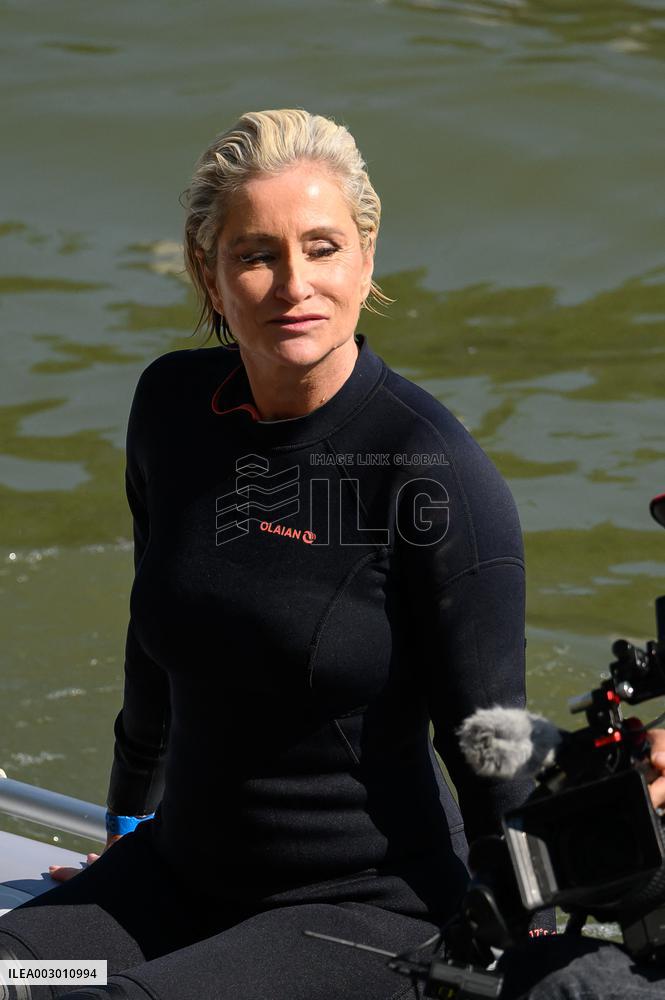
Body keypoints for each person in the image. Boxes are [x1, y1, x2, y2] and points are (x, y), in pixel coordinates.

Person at [0, 108, 572, 999]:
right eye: (257, 253)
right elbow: (150, 651)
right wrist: (122, 825)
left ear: (366, 256)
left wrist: (525, 943)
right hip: (175, 887)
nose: (293, 284)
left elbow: (489, 749)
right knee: (17, 978)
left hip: (361, 916)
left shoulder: (431, 474)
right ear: (209, 271)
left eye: (322, 246)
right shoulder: (172, 409)